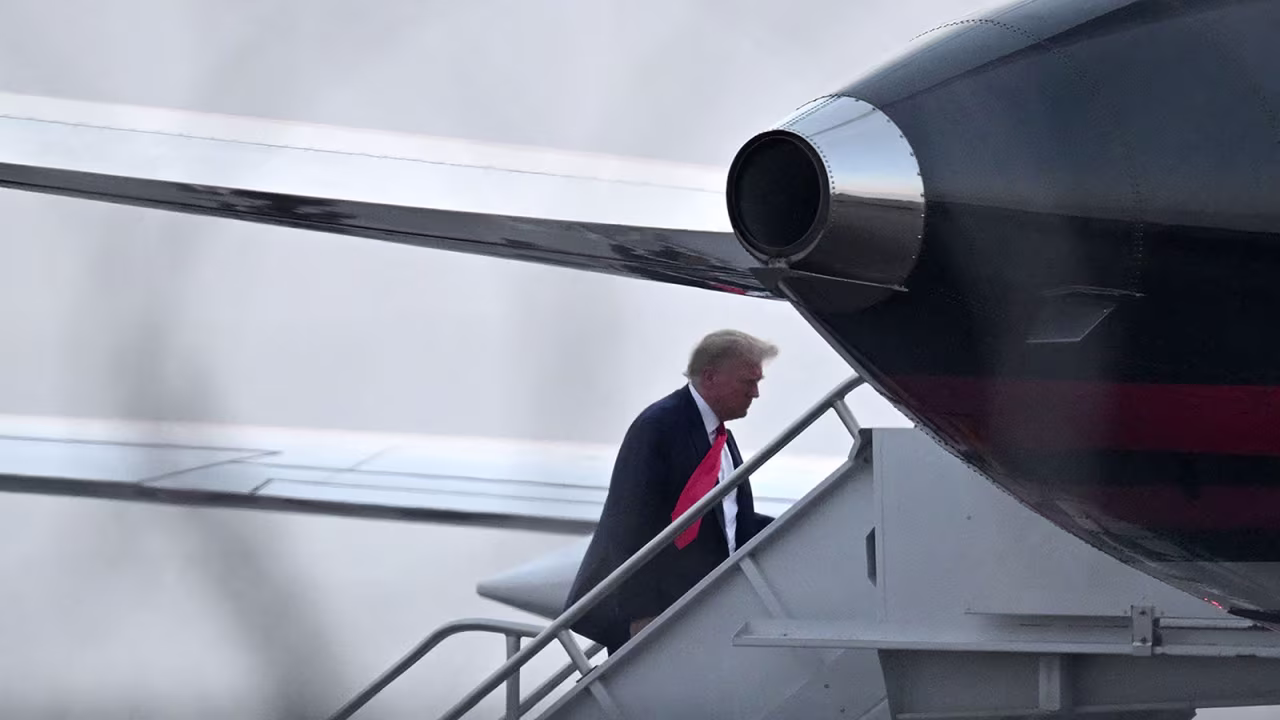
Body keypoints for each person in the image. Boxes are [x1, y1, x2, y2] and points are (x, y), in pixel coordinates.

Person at [564, 329, 779, 654]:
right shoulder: (660, 426)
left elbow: (729, 518)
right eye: (748, 382)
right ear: (710, 377)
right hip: (658, 615)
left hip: (702, 607)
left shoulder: (720, 437)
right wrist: (641, 611)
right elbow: (630, 523)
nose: (756, 393)